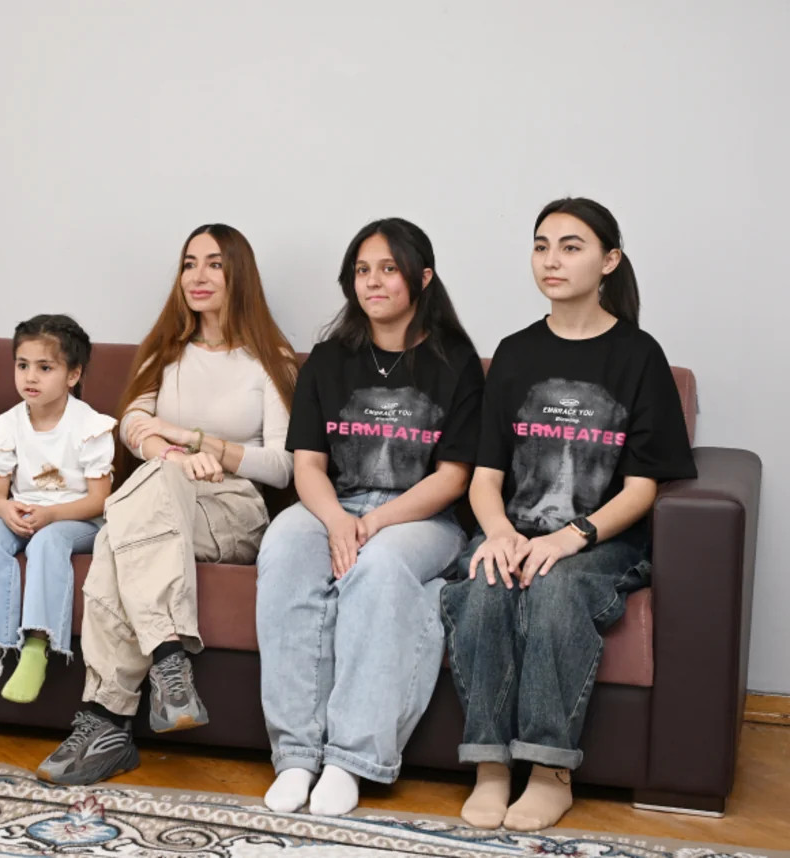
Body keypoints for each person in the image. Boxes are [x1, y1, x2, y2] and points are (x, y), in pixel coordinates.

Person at [440, 197, 697, 830]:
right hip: (516, 529)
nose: (551, 260)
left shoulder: (638, 356)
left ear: (609, 261)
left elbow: (643, 487)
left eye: (571, 247)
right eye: (541, 246)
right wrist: (499, 534)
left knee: (554, 589)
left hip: (601, 541)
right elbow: (485, 478)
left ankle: (550, 771)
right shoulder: (515, 353)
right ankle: (490, 766)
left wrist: (571, 537)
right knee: (486, 584)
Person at [36, 224, 298, 785]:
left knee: (120, 529)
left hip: (232, 508)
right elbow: (133, 423)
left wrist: (200, 444)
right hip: (164, 493)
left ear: (239, 275)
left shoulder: (269, 359)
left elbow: (282, 465)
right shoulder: (166, 350)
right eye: (188, 263)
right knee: (126, 525)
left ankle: (108, 716)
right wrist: (174, 457)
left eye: (214, 264)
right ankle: (165, 667)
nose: (197, 276)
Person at [256, 217, 483, 815]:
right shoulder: (329, 359)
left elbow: (453, 477)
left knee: (378, 567)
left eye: (388, 269)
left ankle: (351, 759)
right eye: (362, 270)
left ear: (422, 278)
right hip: (335, 504)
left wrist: (375, 525)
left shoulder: (455, 361)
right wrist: (337, 520)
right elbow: (308, 465)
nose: (373, 282)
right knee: (283, 545)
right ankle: (296, 753)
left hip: (424, 519)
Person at [0, 314, 115, 705]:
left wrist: (52, 516)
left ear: (73, 375)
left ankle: (36, 647)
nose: (31, 377)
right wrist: (5, 510)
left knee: (48, 542)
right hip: (26, 512)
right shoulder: (5, 426)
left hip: (78, 517)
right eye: (23, 365)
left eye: (45, 368)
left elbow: (99, 499)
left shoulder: (88, 426)